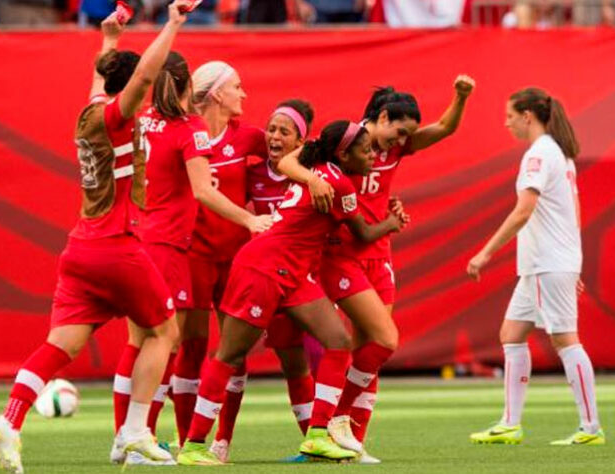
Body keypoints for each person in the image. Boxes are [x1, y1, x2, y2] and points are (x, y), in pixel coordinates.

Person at [0, 4, 191, 472]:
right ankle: (136, 430)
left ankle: (10, 420)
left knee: (61, 345)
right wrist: (174, 22)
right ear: (131, 84)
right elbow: (142, 79)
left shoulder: (91, 110)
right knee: (164, 332)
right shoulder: (117, 116)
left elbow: (103, 81)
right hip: (116, 245)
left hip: (80, 248)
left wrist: (110, 40)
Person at [176, 120, 406, 465]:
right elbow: (362, 235)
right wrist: (392, 223)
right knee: (229, 355)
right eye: (365, 150)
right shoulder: (338, 183)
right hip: (263, 269)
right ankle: (193, 446)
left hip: (292, 273)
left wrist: (312, 177)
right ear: (343, 154)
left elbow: (291, 163)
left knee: (338, 342)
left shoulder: (317, 170)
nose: (373, 155)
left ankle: (317, 436)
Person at [279, 76, 475, 462]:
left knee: (373, 351)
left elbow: (446, 128)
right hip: (342, 253)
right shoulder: (347, 140)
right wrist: (313, 180)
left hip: (379, 254)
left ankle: (352, 441)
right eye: (399, 131)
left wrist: (460, 95)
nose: (400, 141)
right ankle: (334, 422)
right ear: (383, 116)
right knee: (380, 340)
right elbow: (288, 161)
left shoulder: (397, 147)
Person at [110, 59, 273, 453]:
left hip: (207, 252)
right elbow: (202, 191)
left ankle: (205, 439)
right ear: (213, 92)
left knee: (175, 342)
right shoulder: (187, 130)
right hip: (180, 249)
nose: (244, 93)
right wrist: (251, 220)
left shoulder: (243, 137)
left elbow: (286, 157)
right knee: (173, 340)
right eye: (237, 85)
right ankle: (148, 435)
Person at [466, 87, 604, 446]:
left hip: (547, 262)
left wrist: (485, 253)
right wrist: (574, 262)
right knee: (511, 334)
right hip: (546, 264)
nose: (506, 122)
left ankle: (591, 428)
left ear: (528, 116)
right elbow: (574, 210)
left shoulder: (539, 155)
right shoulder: (559, 153)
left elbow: (523, 211)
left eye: (510, 115)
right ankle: (510, 423)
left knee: (565, 339)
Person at [207, 99, 319, 463]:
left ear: (301, 140)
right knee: (232, 356)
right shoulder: (251, 174)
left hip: (293, 280)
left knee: (296, 364)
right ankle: (218, 441)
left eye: (284, 131)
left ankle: (313, 443)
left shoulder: (312, 176)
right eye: (271, 129)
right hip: (256, 281)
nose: (273, 136)